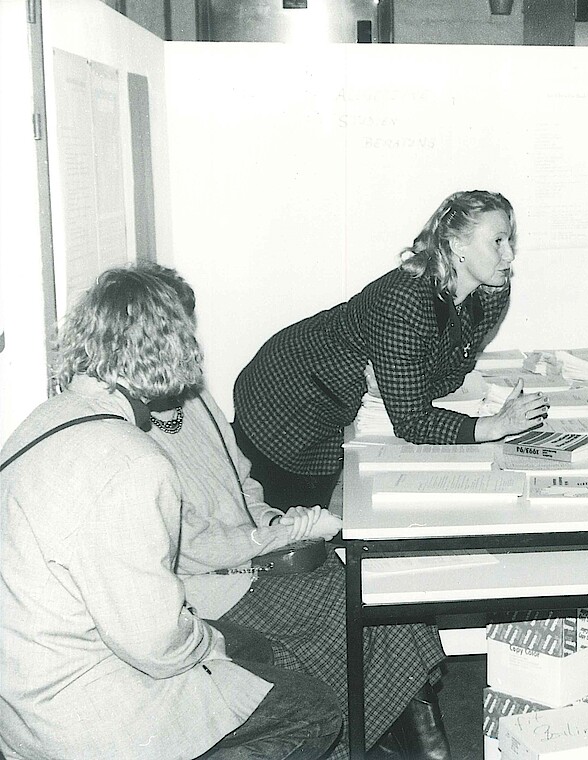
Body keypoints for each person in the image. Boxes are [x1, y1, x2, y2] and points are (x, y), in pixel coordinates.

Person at [0, 265, 341, 760]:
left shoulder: (43, 420)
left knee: (253, 652)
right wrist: (211, 650)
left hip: (22, 698)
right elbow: (155, 645)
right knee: (315, 710)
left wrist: (208, 643)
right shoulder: (132, 462)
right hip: (78, 714)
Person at [141, 263, 451, 759]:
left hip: (257, 553)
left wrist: (271, 521)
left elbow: (243, 480)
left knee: (381, 586)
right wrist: (272, 537)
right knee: (353, 599)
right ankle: (406, 735)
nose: (189, 342)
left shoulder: (193, 399)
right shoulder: (131, 437)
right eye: (176, 331)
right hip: (216, 584)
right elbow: (187, 547)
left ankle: (400, 727)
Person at [233, 190, 548, 510]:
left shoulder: (491, 292)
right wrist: (494, 425)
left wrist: (397, 388)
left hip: (338, 409)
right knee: (295, 533)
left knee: (329, 519)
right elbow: (411, 420)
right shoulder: (405, 300)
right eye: (497, 241)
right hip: (284, 399)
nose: (508, 255)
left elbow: (456, 371)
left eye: (509, 240)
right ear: (457, 246)